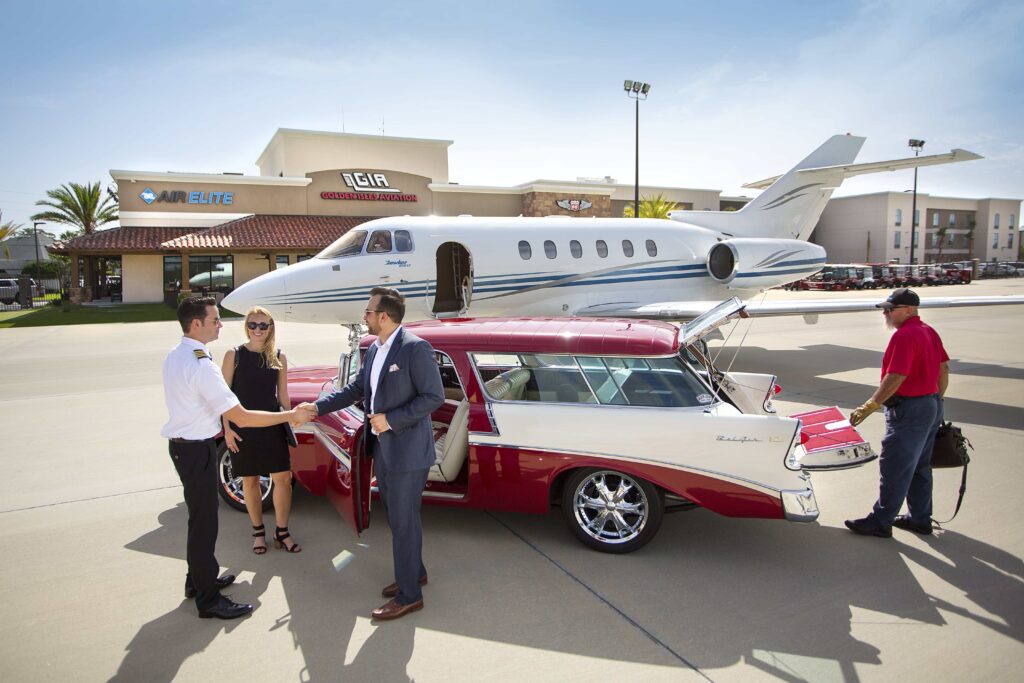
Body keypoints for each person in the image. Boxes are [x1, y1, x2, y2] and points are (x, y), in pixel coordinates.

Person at [161, 296, 314, 619]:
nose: (220, 325)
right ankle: (208, 599)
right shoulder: (202, 364)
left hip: (185, 445)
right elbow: (241, 416)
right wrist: (289, 417)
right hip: (195, 447)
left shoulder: (179, 355)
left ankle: (198, 580)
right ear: (196, 324)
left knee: (199, 521)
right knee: (204, 525)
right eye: (215, 319)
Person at [298, 286, 443, 620]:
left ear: (383, 316)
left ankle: (410, 595)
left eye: (367, 312)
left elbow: (433, 397)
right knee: (398, 517)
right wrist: (317, 406)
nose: (363, 317)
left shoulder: (415, 348)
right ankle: (415, 572)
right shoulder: (376, 350)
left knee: (403, 521)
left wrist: (391, 419)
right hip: (385, 450)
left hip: (407, 451)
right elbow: (357, 389)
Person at [845, 288, 949, 538]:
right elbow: (943, 368)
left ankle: (881, 521)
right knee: (920, 465)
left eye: (890, 309)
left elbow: (897, 376)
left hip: (910, 409)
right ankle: (919, 519)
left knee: (895, 465)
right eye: (885, 309)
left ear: (909, 310)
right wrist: (936, 400)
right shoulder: (928, 331)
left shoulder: (905, 336)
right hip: (930, 404)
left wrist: (870, 404)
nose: (886, 313)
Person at [222, 306, 301, 555]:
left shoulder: (279, 356)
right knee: (251, 480)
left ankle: (282, 531)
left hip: (272, 424)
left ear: (270, 328)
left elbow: (284, 395)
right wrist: (226, 429)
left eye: (263, 325)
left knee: (283, 480)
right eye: (253, 325)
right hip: (243, 426)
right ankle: (258, 532)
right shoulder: (233, 355)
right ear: (247, 327)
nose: (257, 329)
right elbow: (223, 397)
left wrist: (290, 421)